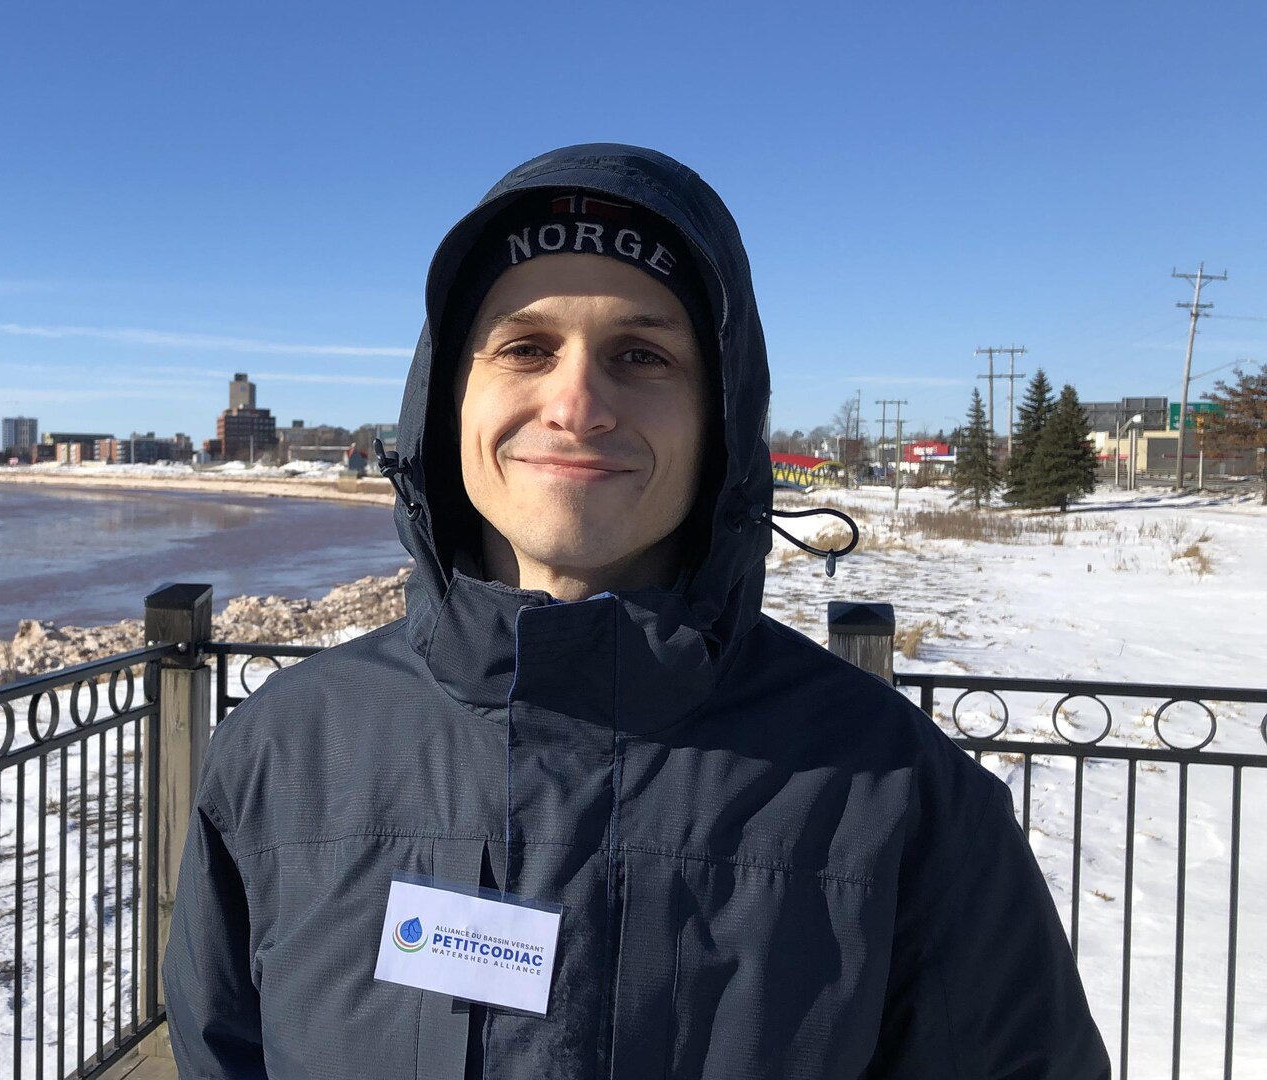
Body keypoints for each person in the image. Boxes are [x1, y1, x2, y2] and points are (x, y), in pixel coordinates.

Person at [163, 144, 1108, 1078]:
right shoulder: (283, 753)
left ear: (721, 422)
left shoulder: (899, 797)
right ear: (447, 400)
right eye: (526, 347)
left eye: (643, 355)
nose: (577, 403)